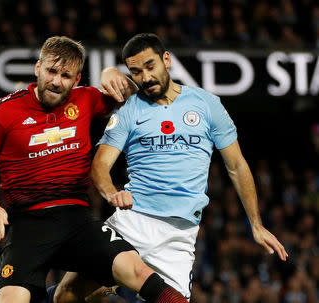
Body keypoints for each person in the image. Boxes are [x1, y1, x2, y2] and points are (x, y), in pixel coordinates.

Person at [52, 33, 289, 302]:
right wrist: (111, 193)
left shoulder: (207, 104)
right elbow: (100, 167)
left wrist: (256, 225)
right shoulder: (130, 109)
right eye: (136, 72)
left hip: (178, 236)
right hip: (132, 223)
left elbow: (236, 165)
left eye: (150, 66)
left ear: (167, 59)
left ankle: (114, 285)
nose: (146, 77)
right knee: (66, 295)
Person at [0, 36, 190, 303]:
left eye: (65, 75)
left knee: (137, 270)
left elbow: (136, 96)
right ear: (38, 68)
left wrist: (111, 73)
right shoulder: (2, 112)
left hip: (76, 218)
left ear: (76, 80)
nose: (56, 81)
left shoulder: (86, 99)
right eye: (51, 71)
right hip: (27, 223)